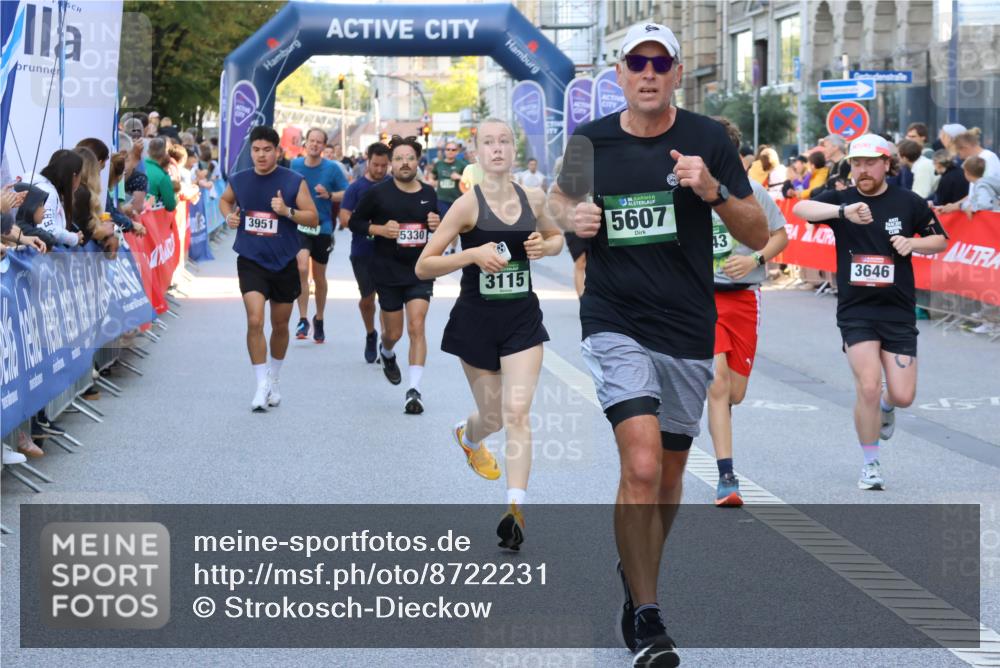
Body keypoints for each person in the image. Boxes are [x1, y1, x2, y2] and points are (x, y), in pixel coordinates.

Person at [548, 22, 767, 667]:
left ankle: (635, 570)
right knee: (640, 464)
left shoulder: (705, 140)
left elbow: (757, 231)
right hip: (615, 318)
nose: (647, 73)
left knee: (669, 475)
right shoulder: (590, 141)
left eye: (660, 63)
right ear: (619, 74)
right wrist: (573, 217)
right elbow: (558, 205)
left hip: (686, 326)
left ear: (676, 74)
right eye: (635, 62)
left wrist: (714, 191)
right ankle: (648, 615)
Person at [415, 118, 564, 550]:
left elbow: (555, 239)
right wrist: (472, 254)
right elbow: (424, 265)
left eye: (504, 141)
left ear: (513, 150)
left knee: (517, 413)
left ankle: (514, 510)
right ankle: (469, 435)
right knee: (494, 416)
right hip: (477, 321)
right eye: (488, 143)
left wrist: (543, 246)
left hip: (522, 319)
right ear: (476, 153)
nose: (497, 149)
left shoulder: (534, 197)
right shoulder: (466, 206)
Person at [792, 134, 948, 491]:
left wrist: (914, 243)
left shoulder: (908, 202)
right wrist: (841, 212)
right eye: (856, 163)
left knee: (902, 395)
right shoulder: (843, 199)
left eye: (869, 163)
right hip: (856, 311)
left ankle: (889, 409)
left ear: (887, 165)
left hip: (897, 310)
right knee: (867, 386)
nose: (862, 170)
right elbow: (802, 210)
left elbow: (940, 239)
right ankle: (870, 463)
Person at [707, 118, 789, 506]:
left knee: (734, 394)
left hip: (744, 298)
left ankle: (720, 423)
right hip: (702, 299)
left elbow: (781, 235)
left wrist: (754, 258)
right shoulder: (689, 196)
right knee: (717, 384)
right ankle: (727, 476)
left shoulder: (753, 192)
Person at [219, 126, 319, 411]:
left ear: (278, 151)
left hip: (284, 260)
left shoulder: (293, 181)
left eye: (267, 150)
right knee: (254, 320)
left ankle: (274, 377)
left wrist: (287, 211)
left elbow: (312, 219)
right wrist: (229, 217)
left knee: (279, 325)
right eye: (256, 150)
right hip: (251, 259)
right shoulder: (240, 179)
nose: (261, 155)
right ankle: (261, 383)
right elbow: (225, 200)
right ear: (251, 152)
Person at [348, 136, 440, 414]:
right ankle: (386, 352)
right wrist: (379, 230)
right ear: (391, 163)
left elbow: (435, 225)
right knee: (394, 333)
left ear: (417, 161)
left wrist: (436, 223)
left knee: (417, 326)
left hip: (419, 271)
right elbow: (354, 221)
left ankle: (415, 390)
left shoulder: (428, 193)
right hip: (387, 271)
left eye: (409, 158)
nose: (404, 163)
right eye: (398, 158)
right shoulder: (378, 193)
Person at [289, 128, 349, 343]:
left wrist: (330, 195)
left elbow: (347, 192)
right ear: (306, 143)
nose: (314, 145)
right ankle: (303, 318)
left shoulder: (332, 169)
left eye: (319, 142)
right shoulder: (294, 165)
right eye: (311, 141)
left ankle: (319, 318)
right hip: (301, 225)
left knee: (319, 276)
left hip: (322, 227)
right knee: (301, 267)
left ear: (324, 146)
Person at [339, 141, 392, 362]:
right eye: (376, 164)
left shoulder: (394, 184)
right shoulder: (356, 188)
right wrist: (369, 225)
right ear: (367, 161)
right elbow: (343, 217)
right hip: (362, 251)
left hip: (390, 252)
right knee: (368, 299)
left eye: (384, 165)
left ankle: (384, 341)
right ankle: (371, 333)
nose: (380, 170)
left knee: (388, 300)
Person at [20, 149, 84, 248]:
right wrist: (74, 238)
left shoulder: (45, 188)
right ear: (74, 176)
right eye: (81, 175)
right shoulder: (49, 193)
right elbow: (48, 229)